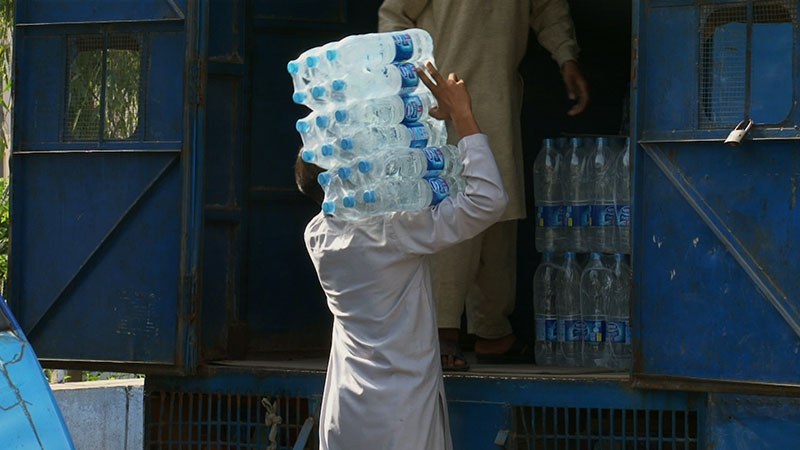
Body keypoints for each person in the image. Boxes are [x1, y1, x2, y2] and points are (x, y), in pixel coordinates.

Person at [297, 62, 509, 450]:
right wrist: (461, 115)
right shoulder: (392, 230)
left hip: (343, 415)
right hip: (401, 418)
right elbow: (486, 199)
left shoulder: (319, 235)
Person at [378, 0, 590, 370]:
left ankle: (492, 329)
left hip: (498, 96)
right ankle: (442, 329)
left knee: (499, 213)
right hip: (442, 103)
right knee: (450, 211)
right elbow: (393, 15)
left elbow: (549, 10)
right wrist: (411, 82)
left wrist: (566, 58)